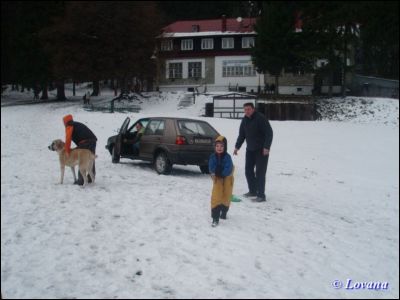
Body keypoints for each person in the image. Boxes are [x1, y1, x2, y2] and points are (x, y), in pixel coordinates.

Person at [233, 102, 273, 202]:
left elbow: (269, 133)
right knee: (248, 171)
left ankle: (261, 195)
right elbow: (242, 135)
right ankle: (253, 191)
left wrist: (266, 147)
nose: (247, 111)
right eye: (245, 109)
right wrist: (237, 147)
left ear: (253, 109)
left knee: (260, 173)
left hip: (261, 150)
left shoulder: (260, 118)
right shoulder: (244, 120)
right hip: (250, 150)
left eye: (248, 109)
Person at [63, 114, 97, 185]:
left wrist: (67, 151)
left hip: (85, 142)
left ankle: (81, 180)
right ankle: (90, 178)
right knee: (90, 159)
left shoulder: (69, 126)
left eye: (63, 123)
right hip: (93, 140)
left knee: (82, 160)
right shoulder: (76, 124)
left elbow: (68, 139)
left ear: (65, 122)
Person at [209, 136, 234, 227]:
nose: (219, 148)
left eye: (221, 146)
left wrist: (223, 173)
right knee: (216, 196)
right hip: (217, 178)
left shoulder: (228, 157)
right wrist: (216, 171)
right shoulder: (212, 157)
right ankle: (215, 217)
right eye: (217, 146)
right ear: (215, 147)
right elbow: (211, 167)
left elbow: (229, 167)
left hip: (227, 177)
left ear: (225, 147)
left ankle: (224, 212)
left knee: (227, 195)